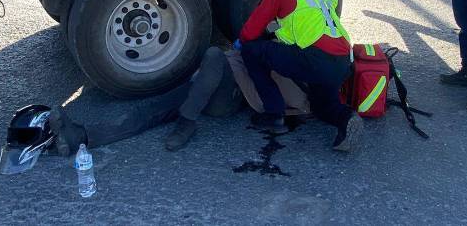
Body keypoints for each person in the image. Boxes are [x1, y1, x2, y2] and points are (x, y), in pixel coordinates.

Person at [47, 46, 311, 154]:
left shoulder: (296, 72)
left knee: (214, 54)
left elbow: (293, 103)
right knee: (157, 106)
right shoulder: (297, 59)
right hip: (221, 88)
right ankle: (79, 137)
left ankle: (186, 122)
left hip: (229, 95)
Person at [237, 0, 363, 152]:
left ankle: (274, 114)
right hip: (344, 63)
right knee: (322, 107)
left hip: (317, 59)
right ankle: (347, 119)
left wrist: (243, 42)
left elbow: (250, 32)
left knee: (251, 50)